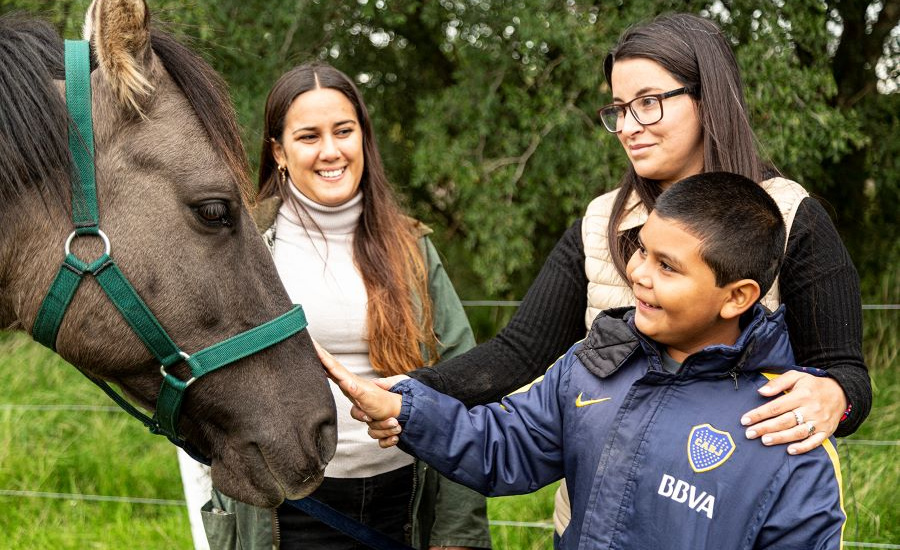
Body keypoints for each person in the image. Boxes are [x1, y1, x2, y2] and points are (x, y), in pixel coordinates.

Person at [360, 11, 870, 538]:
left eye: (648, 103)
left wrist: (834, 396)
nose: (628, 127)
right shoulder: (601, 219)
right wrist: (410, 395)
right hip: (594, 523)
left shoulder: (790, 217)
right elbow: (520, 352)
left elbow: (845, 374)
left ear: (707, 97)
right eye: (620, 109)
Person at [322, 171, 847, 549]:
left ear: (737, 297)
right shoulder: (596, 365)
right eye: (641, 250)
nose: (639, 273)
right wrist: (406, 409)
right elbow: (504, 447)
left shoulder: (786, 432)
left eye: (668, 266)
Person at [199, 62, 491, 550]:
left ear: (363, 139)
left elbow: (465, 383)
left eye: (344, 131)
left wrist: (457, 529)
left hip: (403, 503)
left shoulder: (412, 248)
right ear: (279, 152)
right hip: (290, 509)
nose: (331, 151)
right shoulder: (243, 248)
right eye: (309, 136)